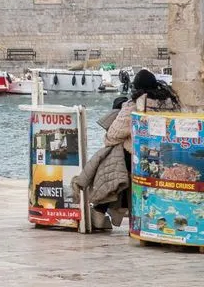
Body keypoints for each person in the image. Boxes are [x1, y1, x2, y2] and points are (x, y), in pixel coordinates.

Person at [75, 69, 179, 230]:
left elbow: (113, 135)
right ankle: (103, 212)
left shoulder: (133, 106)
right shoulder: (170, 104)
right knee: (117, 164)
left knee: (112, 155)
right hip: (167, 157)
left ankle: (98, 210)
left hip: (139, 158)